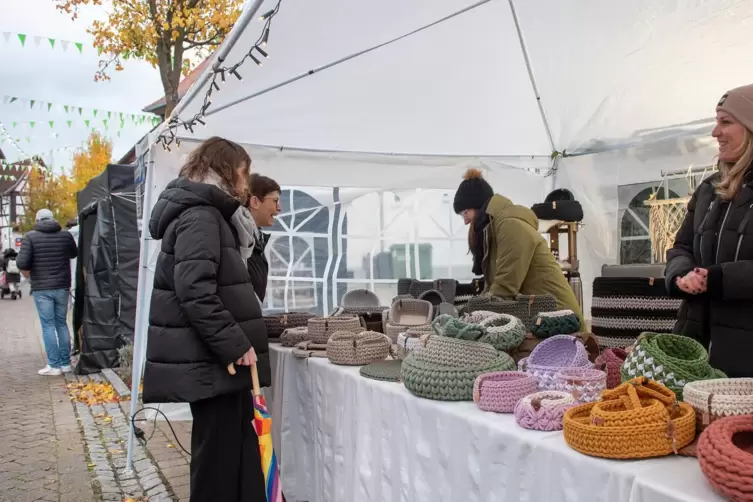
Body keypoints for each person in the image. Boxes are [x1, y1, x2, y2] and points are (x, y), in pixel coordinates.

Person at [142, 137, 269, 501]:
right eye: (244, 175)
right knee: (218, 462)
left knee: (234, 453)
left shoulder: (206, 212)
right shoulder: (200, 215)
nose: (246, 186)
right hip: (212, 363)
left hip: (215, 363)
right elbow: (195, 289)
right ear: (228, 172)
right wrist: (234, 344)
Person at [665, 83, 753, 378]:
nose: (715, 132)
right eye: (716, 122)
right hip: (694, 349)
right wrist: (680, 274)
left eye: (725, 122)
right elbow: (682, 247)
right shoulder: (708, 189)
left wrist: (717, 279)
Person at [453, 168, 584, 326]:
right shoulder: (495, 230)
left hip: (560, 324)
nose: (465, 221)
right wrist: (468, 312)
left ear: (478, 206)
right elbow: (492, 289)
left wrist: (471, 319)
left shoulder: (510, 226)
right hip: (540, 319)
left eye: (465, 213)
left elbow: (504, 288)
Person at [16, 208, 78, 375]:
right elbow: (74, 253)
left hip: (42, 288)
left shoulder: (30, 237)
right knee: (61, 323)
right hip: (62, 286)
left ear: (37, 221)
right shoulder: (65, 235)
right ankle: (65, 364)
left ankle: (54, 365)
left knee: (48, 325)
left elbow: (22, 263)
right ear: (53, 219)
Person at [246, 173, 281, 302]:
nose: (279, 208)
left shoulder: (255, 239)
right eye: (275, 201)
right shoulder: (238, 239)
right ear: (254, 202)